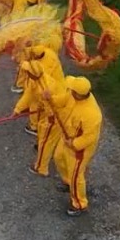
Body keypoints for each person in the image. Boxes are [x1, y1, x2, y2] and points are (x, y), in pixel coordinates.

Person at [51, 76, 103, 216]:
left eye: (73, 90)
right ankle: (68, 182)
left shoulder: (92, 114)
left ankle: (79, 204)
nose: (70, 91)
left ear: (79, 94)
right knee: (58, 158)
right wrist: (51, 99)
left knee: (76, 175)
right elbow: (62, 100)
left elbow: (90, 137)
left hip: (79, 150)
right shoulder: (73, 94)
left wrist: (74, 144)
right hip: (66, 137)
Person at [13, 43, 65, 140]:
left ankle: (35, 128)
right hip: (54, 87)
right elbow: (28, 94)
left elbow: (49, 106)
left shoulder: (43, 87)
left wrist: (50, 119)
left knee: (36, 106)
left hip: (53, 96)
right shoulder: (39, 70)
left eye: (28, 71)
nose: (26, 72)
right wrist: (17, 109)